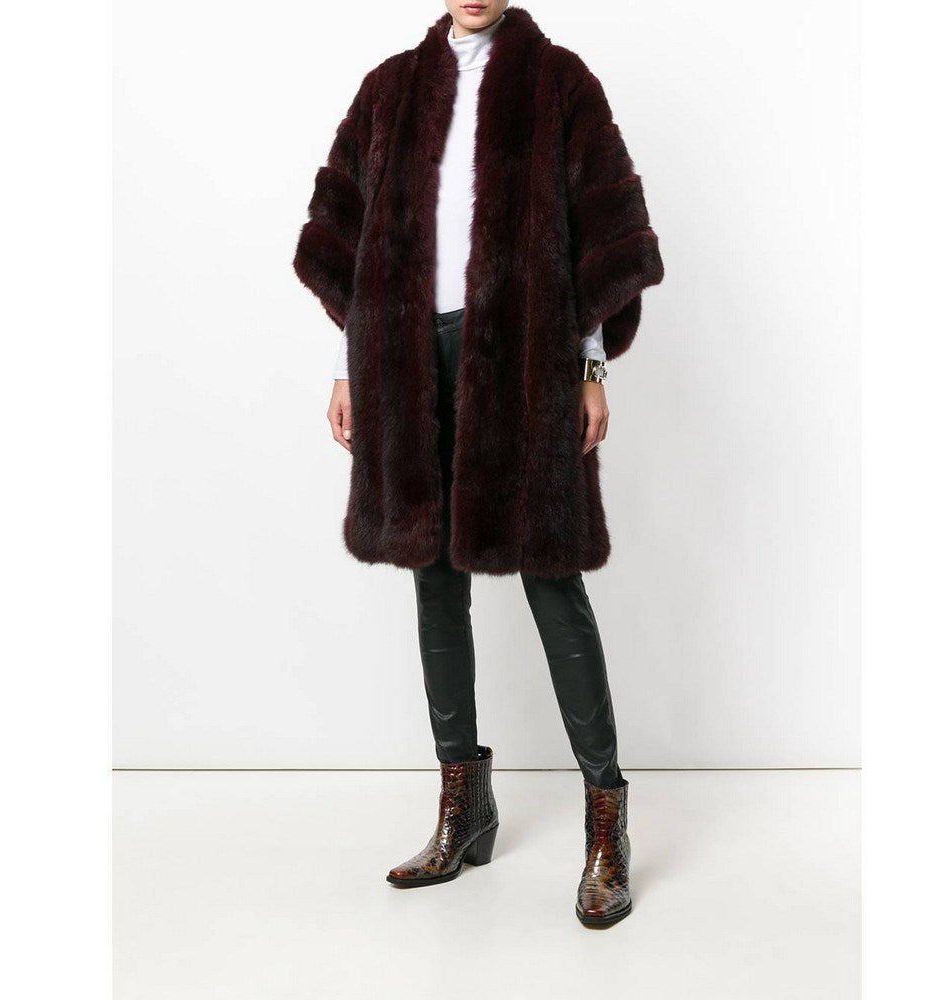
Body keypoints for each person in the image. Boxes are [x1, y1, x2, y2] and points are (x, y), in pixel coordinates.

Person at [293, 1, 663, 927]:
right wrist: (347, 368)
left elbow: (595, 232)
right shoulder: (389, 90)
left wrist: (590, 366)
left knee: (552, 576)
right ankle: (465, 809)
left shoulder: (558, 82)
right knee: (433, 578)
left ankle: (607, 827)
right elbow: (355, 242)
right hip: (405, 357)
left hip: (525, 357)